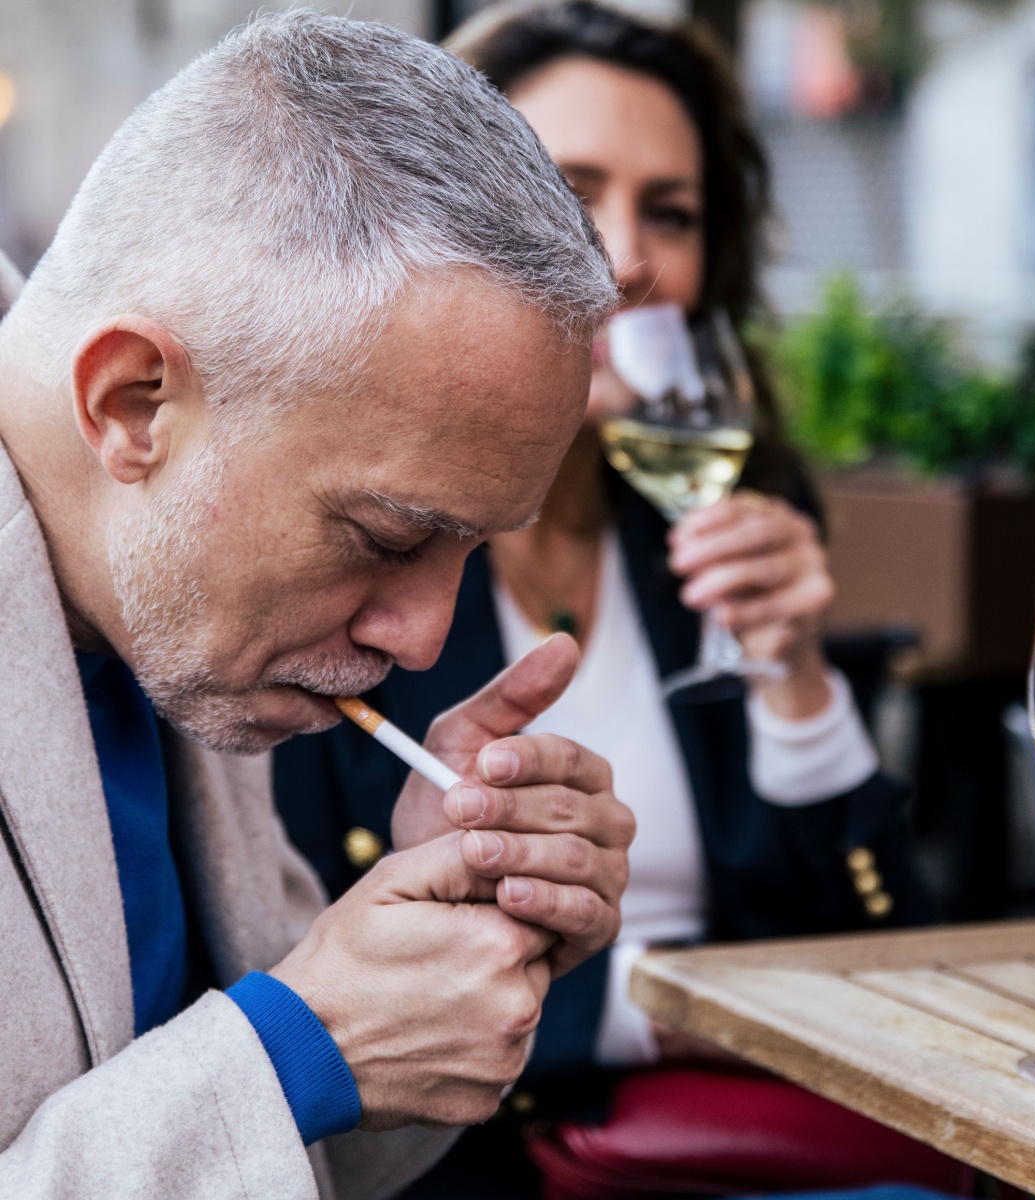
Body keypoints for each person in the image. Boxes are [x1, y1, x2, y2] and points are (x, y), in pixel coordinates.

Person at [273, 4, 936, 1198]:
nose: (623, 259)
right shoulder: (350, 528)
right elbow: (294, 945)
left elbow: (863, 949)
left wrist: (797, 682)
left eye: (670, 213)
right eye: (569, 193)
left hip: (742, 1140)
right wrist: (649, 1009)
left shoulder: (726, 513)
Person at [0, 11, 641, 1197]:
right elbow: (244, 1081)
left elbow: (286, 1156)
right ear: (134, 402)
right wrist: (299, 1049)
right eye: (387, 537)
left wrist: (432, 950)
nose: (426, 636)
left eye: (471, 551)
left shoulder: (170, 598)